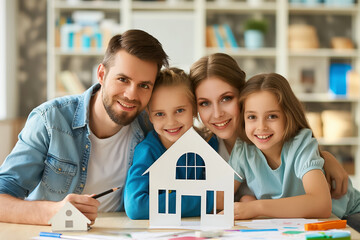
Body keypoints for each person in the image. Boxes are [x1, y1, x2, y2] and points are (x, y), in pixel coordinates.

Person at [0, 29, 169, 225]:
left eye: (144, 85)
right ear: (101, 74)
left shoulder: (152, 127)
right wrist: (53, 211)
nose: (131, 95)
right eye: (123, 79)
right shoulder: (50, 120)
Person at [189, 53, 349, 201]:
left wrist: (323, 157)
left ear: (244, 94)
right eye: (204, 103)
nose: (217, 114)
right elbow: (209, 199)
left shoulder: (279, 140)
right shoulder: (200, 151)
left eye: (226, 99)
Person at [228, 73, 360, 231]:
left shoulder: (301, 144)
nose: (261, 126)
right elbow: (220, 197)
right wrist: (245, 199)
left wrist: (257, 207)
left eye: (272, 116)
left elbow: (321, 205)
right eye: (252, 117)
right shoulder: (243, 149)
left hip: (349, 215)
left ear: (287, 116)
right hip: (304, 224)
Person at [124, 67, 217, 219]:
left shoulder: (209, 143)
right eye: (160, 114)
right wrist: (209, 201)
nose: (171, 122)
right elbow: (136, 206)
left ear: (194, 109)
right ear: (150, 116)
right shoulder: (148, 151)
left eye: (180, 110)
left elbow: (226, 188)